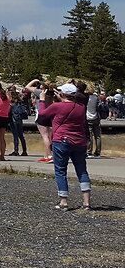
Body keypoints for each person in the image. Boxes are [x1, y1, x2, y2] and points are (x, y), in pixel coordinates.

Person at [46, 83, 92, 211]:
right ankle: (86, 202)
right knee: (82, 170)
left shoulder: (57, 106)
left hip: (61, 140)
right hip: (79, 140)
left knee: (60, 171)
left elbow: (43, 115)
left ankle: (64, 201)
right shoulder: (81, 107)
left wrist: (45, 99)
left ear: (62, 93)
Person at [28, 79, 55, 162]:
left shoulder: (40, 92)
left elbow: (27, 87)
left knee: (45, 136)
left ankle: (49, 155)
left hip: (41, 114)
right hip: (50, 114)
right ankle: (47, 155)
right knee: (49, 135)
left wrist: (34, 80)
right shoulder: (51, 93)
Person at [8, 88, 30, 156]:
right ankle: (24, 150)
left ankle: (16, 150)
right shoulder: (20, 102)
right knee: (21, 135)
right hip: (19, 119)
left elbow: (8, 112)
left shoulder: (11, 104)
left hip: (13, 119)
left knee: (15, 135)